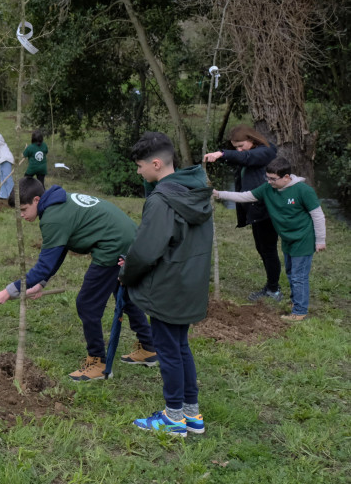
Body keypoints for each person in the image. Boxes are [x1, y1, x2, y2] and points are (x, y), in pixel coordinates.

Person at [0, 177, 157, 381]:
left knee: (87, 304)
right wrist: (41, 283)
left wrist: (8, 291)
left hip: (113, 246)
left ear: (36, 199)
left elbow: (44, 265)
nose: (22, 216)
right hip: (128, 238)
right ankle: (149, 348)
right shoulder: (58, 203)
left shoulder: (52, 217)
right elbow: (59, 250)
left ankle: (97, 363)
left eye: (23, 209)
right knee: (125, 296)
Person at [122, 132, 213, 437]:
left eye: (140, 166)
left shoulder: (162, 200)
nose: (138, 171)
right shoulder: (196, 190)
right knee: (181, 347)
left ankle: (173, 418)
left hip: (167, 287)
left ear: (157, 164)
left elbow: (147, 250)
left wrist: (126, 275)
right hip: (190, 284)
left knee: (169, 351)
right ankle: (191, 413)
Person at [214, 156, 325, 321]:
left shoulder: (303, 191)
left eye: (273, 179)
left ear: (286, 177)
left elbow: (318, 215)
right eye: (268, 177)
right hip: (288, 238)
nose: (269, 181)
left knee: (298, 275)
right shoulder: (268, 188)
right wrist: (219, 194)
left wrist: (320, 240)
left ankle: (300, 312)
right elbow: (246, 196)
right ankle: (296, 302)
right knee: (290, 272)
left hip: (303, 238)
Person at [203, 125, 281, 301]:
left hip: (267, 210)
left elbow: (246, 157)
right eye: (235, 147)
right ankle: (272, 284)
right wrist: (220, 158)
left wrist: (222, 154)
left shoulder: (266, 151)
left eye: (241, 145)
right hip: (255, 208)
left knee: (268, 249)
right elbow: (241, 159)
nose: (239, 150)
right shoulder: (249, 153)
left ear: (252, 140)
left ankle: (273, 289)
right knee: (261, 247)